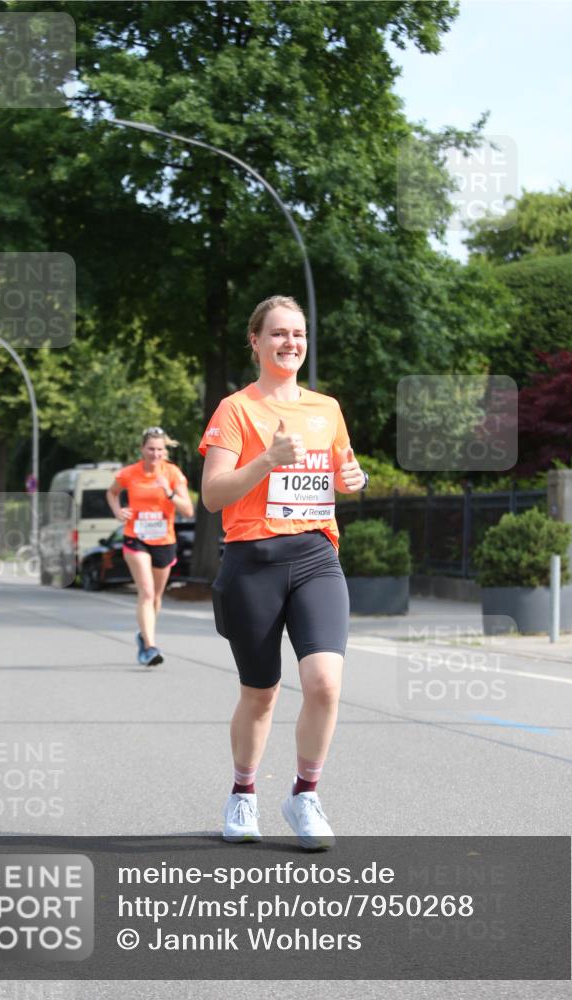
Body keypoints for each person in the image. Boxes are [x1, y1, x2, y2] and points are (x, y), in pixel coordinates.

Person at [199, 295, 368, 849]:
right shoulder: (235, 410)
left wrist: (353, 478)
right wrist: (267, 460)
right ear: (256, 341)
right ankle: (243, 794)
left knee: (324, 683)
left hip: (317, 557)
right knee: (261, 692)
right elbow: (212, 495)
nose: (289, 342)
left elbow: (342, 472)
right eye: (277, 334)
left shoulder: (327, 408)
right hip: (254, 563)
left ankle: (304, 794)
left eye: (298, 333)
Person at [106, 427, 194, 667]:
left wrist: (168, 492)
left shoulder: (173, 473)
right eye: (151, 449)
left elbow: (187, 509)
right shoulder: (129, 473)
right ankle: (150, 646)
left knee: (155, 596)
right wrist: (117, 510)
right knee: (145, 591)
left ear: (165, 451)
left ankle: (144, 634)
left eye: (160, 450)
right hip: (136, 538)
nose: (155, 454)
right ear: (142, 450)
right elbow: (112, 493)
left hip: (164, 541)